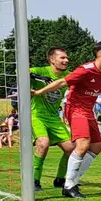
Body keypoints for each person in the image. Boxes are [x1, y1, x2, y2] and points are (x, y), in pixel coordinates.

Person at [32, 40, 101, 198]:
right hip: (76, 110)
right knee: (82, 144)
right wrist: (39, 92)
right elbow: (62, 82)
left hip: (88, 111)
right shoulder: (85, 70)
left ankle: (71, 180)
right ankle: (69, 185)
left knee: (97, 147)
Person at [29, 47, 78, 190]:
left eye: (66, 58)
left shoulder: (68, 75)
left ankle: (60, 179)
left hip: (54, 118)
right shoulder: (41, 71)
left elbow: (81, 77)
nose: (66, 60)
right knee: (43, 144)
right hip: (37, 116)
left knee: (71, 148)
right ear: (52, 60)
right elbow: (19, 72)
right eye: (62, 58)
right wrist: (41, 79)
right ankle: (35, 180)